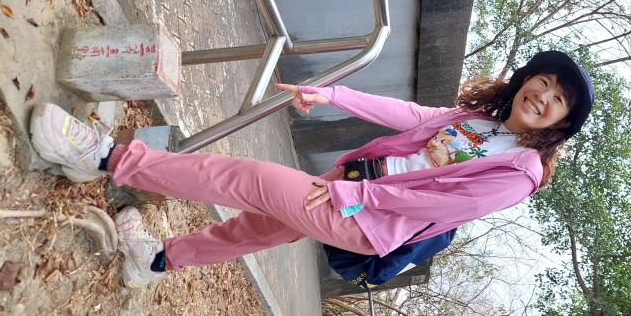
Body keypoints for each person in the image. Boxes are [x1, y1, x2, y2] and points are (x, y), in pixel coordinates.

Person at [29, 50, 594, 288]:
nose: (543, 96)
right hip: (354, 185)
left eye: (558, 100)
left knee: (248, 180)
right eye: (543, 81)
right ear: (526, 79)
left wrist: (360, 199)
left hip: (366, 216)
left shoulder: (522, 170)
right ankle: (155, 260)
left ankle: (103, 157)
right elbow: (414, 115)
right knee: (261, 228)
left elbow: (441, 204)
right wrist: (334, 95)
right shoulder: (480, 121)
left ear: (562, 123)